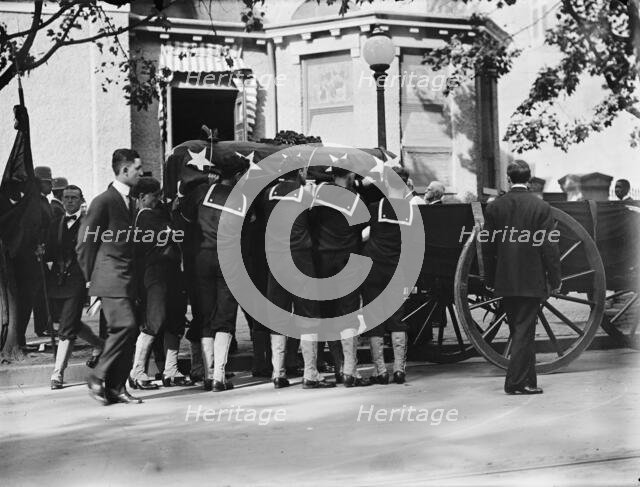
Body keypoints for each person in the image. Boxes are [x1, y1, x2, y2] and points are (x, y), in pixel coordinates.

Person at [482, 160, 561, 395]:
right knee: (524, 330)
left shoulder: (496, 207)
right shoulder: (541, 207)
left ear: (508, 179)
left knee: (520, 330)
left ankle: (528, 381)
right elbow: (549, 246)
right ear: (529, 179)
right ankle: (515, 383)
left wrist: (489, 278)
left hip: (505, 279)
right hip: (531, 278)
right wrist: (555, 279)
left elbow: (487, 246)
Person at [77, 149, 143, 405]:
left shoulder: (130, 200)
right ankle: (97, 376)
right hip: (110, 277)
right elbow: (85, 242)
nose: (140, 172)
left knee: (130, 331)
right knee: (124, 326)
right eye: (137, 168)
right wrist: (88, 281)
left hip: (128, 279)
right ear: (124, 170)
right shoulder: (104, 200)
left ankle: (116, 388)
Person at [261, 166, 335, 389]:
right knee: (308, 314)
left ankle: (278, 373)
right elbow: (316, 225)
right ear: (300, 172)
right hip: (300, 256)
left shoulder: (268, 193)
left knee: (279, 314)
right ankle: (310, 373)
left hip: (275, 257)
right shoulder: (306, 194)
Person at [178, 159, 248, 392]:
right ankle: (219, 375)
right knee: (225, 317)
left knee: (205, 315)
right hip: (229, 259)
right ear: (237, 175)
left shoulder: (201, 192)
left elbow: (184, 218)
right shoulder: (243, 198)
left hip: (202, 258)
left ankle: (208, 375)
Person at [311, 165, 372, 387]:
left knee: (328, 314)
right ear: (351, 175)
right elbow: (364, 229)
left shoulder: (319, 196)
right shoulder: (355, 198)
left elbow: (310, 223)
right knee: (348, 314)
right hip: (348, 259)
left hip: (323, 261)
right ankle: (349, 371)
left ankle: (337, 366)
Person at [129, 177, 190, 389]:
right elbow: (173, 235)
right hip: (155, 274)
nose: (158, 199)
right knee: (154, 321)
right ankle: (137, 372)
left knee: (174, 319)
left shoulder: (155, 214)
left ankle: (171, 369)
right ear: (142, 197)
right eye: (154, 195)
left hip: (169, 273)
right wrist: (173, 213)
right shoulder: (144, 217)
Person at [361, 166, 417, 385]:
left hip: (373, 268)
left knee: (375, 320)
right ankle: (400, 370)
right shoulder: (412, 213)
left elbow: (363, 234)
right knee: (397, 320)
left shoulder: (374, 208)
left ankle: (381, 371)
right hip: (398, 270)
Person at [47, 185, 103, 389]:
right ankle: (99, 344)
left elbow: (95, 251)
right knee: (66, 322)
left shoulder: (89, 223)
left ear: (81, 200)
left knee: (67, 328)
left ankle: (57, 373)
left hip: (78, 281)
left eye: (74, 198)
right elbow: (50, 252)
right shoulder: (55, 223)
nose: (69, 201)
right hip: (57, 281)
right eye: (66, 198)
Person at [14, 166, 53, 343]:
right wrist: (35, 246)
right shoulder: (32, 203)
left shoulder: (42, 201)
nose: (50, 186)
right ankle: (19, 337)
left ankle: (42, 326)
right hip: (30, 256)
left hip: (41, 254)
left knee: (39, 295)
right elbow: (30, 228)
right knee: (26, 297)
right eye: (47, 182)